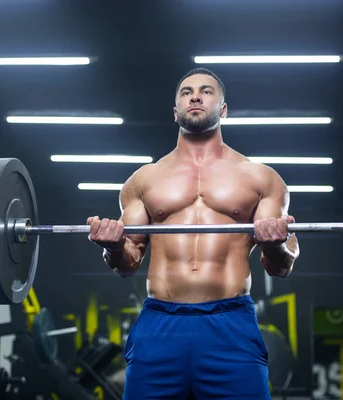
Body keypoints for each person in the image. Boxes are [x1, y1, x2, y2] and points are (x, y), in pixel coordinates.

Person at [86, 68, 300, 399]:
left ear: (224, 109)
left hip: (230, 324)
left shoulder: (261, 179)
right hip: (160, 324)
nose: (195, 96)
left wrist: (275, 245)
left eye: (206, 91)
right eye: (186, 92)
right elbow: (127, 263)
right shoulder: (143, 180)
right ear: (176, 112)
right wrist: (113, 246)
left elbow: (282, 266)